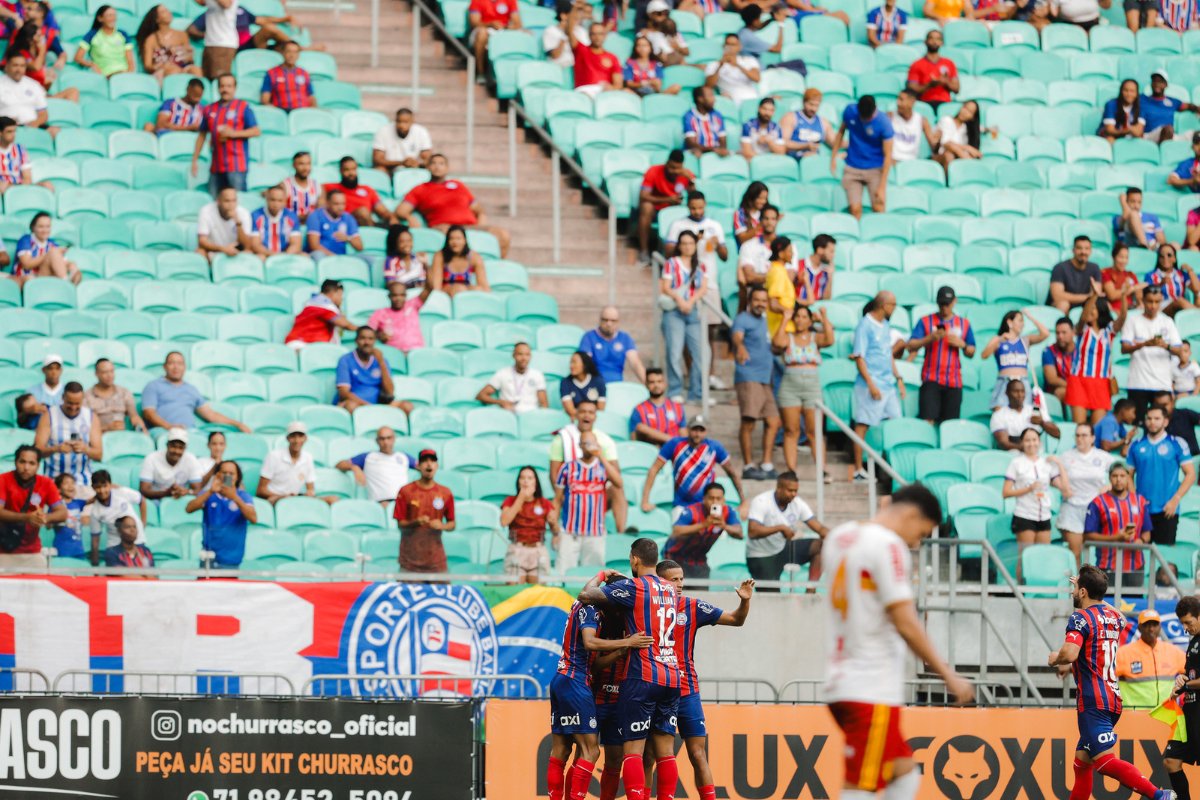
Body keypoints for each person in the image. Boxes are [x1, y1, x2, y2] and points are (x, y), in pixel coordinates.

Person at [823, 483, 974, 800]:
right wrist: (948, 675)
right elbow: (905, 620)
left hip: (840, 679)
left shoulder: (840, 537)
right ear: (910, 514)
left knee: (904, 774)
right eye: (921, 532)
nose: (916, 541)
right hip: (870, 687)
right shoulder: (889, 546)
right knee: (860, 787)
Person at [1049, 566, 1177, 800]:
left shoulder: (1080, 617)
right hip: (1112, 699)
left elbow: (1069, 654)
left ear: (1084, 591)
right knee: (1082, 764)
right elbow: (1110, 609)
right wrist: (1091, 589)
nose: (1072, 592)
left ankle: (1159, 795)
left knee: (1106, 763)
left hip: (1093, 702)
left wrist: (1055, 658)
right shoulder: (1115, 618)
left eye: (1075, 588)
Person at [575, 538, 682, 800]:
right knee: (665, 752)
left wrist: (602, 576)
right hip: (672, 675)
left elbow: (585, 595)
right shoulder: (671, 589)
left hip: (643, 675)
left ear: (634, 559)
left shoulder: (634, 587)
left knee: (633, 751)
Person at [656, 561, 753, 800]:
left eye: (681, 579)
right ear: (659, 582)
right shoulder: (646, 606)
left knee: (698, 754)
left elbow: (736, 620)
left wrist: (745, 601)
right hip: (656, 689)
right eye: (673, 580)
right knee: (651, 756)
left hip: (687, 690)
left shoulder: (692, 606)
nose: (679, 585)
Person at [546, 594, 650, 800]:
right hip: (592, 696)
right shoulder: (597, 624)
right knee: (583, 754)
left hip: (618, 702)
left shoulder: (635, 626)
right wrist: (623, 647)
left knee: (614, 760)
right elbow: (592, 664)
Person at [395, 153, 510, 257]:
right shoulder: (420, 189)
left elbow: (478, 209)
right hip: (443, 227)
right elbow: (400, 211)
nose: (437, 166)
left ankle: (498, 266)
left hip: (468, 227)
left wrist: (481, 221)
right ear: (428, 167)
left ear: (447, 168)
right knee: (454, 236)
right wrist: (409, 217)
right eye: (433, 163)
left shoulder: (459, 185)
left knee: (502, 234)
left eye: (441, 163)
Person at [773, 304, 833, 477]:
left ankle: (822, 469)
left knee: (814, 431)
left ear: (810, 320)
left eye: (804, 317)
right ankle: (791, 470)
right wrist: (785, 318)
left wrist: (823, 318)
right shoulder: (789, 338)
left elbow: (830, 339)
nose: (800, 320)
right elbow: (777, 342)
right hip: (790, 387)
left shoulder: (815, 338)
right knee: (791, 430)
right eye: (797, 316)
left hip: (811, 388)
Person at [851, 292, 905, 480]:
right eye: (893, 305)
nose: (894, 309)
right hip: (870, 385)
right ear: (883, 305)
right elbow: (859, 357)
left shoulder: (885, 325)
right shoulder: (864, 326)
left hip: (888, 384)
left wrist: (897, 377)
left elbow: (887, 353)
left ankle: (892, 466)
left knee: (896, 423)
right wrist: (871, 384)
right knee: (863, 424)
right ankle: (858, 469)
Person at [640, 417, 744, 513]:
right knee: (679, 532)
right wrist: (645, 501)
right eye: (694, 430)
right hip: (681, 505)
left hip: (708, 506)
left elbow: (731, 472)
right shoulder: (674, 444)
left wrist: (743, 501)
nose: (697, 434)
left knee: (720, 531)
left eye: (701, 430)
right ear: (688, 430)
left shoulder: (715, 447)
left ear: (706, 431)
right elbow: (654, 469)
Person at [553, 430, 620, 572]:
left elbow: (619, 483)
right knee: (562, 573)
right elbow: (557, 498)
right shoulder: (567, 468)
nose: (589, 446)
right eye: (585, 443)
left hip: (595, 533)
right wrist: (555, 530)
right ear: (580, 446)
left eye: (592, 442)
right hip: (570, 532)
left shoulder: (603, 467)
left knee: (593, 576)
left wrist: (600, 455)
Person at [1127, 405, 1195, 545]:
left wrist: (1175, 500)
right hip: (1143, 510)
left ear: (1165, 421)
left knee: (1165, 556)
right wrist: (1135, 501)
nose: (1152, 422)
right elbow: (1128, 475)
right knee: (1140, 555)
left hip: (1168, 509)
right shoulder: (1136, 445)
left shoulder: (1177, 443)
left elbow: (1191, 474)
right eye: (1149, 418)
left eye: (1157, 418)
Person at [908, 286, 976, 424]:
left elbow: (971, 351)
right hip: (931, 378)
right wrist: (930, 338)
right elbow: (910, 346)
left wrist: (962, 344)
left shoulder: (964, 323)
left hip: (954, 380)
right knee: (928, 419)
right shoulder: (926, 321)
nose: (944, 307)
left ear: (954, 301)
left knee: (950, 424)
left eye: (947, 303)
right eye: (941, 303)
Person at [732, 287, 780, 480]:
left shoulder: (766, 320)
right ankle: (748, 465)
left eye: (763, 300)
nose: (760, 304)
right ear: (750, 301)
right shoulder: (743, 318)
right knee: (749, 421)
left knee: (773, 420)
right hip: (748, 375)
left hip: (765, 379)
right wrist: (740, 347)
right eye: (757, 300)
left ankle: (766, 464)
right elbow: (737, 336)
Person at [1002, 427, 1071, 551]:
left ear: (1040, 442)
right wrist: (1029, 489)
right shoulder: (1016, 463)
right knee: (1025, 557)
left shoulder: (1046, 463)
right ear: (1022, 442)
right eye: (1027, 440)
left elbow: (1065, 489)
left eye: (1034, 440)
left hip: (1044, 515)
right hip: (1024, 515)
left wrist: (1059, 464)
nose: (1031, 443)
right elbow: (1006, 492)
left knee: (1042, 556)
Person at [141, 352, 249, 432]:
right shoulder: (153, 386)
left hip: (191, 433)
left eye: (180, 363)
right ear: (165, 367)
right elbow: (149, 414)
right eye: (171, 363)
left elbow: (211, 415)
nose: (176, 367)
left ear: (184, 367)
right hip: (164, 431)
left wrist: (237, 424)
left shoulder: (191, 389)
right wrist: (169, 427)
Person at [660, 230, 708, 402]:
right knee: (674, 351)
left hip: (692, 310)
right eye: (684, 243)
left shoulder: (700, 265)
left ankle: (697, 392)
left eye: (691, 243)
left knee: (702, 353)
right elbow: (665, 286)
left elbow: (703, 287)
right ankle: (675, 390)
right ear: (679, 245)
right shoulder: (671, 263)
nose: (688, 247)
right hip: (674, 310)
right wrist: (680, 300)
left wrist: (691, 301)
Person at [191, 73, 259, 195]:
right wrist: (194, 159)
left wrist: (233, 134)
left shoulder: (243, 107)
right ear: (217, 88)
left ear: (234, 88)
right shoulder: (209, 109)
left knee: (237, 201)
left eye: (229, 86)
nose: (225, 89)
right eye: (222, 86)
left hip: (237, 165)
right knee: (214, 201)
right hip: (216, 166)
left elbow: (256, 131)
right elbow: (202, 135)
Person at [1121, 286, 1183, 420]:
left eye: (1157, 302)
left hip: (1162, 383)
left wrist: (1165, 346)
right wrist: (1144, 344)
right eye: (1150, 301)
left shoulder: (1167, 322)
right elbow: (1124, 348)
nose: (1153, 306)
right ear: (1143, 300)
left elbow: (1179, 350)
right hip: (1138, 383)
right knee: (1138, 423)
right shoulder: (1133, 321)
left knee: (1164, 423)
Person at [0, 445, 65, 570]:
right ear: (15, 462)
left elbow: (62, 513)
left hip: (32, 551)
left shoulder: (46, 483)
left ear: (38, 466)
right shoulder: (3, 479)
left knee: (43, 586)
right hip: (3, 551)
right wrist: (27, 518)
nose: (26, 467)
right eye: (22, 462)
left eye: (31, 463)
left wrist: (44, 517)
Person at [1066, 291, 1127, 425]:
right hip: (1079, 381)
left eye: (1093, 308)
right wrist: (1093, 296)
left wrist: (1123, 297)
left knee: (1097, 428)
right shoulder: (1082, 329)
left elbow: (1122, 318)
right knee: (1080, 427)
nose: (1089, 311)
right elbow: (1083, 317)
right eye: (1088, 308)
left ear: (1100, 310)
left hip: (1101, 383)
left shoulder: (1108, 332)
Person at [1058, 423, 1115, 564]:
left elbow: (1122, 474)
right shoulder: (1066, 456)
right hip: (1072, 507)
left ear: (1092, 438)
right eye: (1077, 435)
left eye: (1084, 435)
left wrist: (1109, 486)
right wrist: (1062, 487)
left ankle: (1095, 584)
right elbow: (1053, 477)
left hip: (1096, 508)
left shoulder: (1103, 457)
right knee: (1075, 553)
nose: (1080, 439)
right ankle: (1077, 585)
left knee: (1097, 554)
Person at [394, 448, 456, 575]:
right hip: (410, 562)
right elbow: (400, 524)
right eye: (424, 461)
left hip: (436, 562)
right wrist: (416, 522)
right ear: (418, 466)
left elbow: (452, 524)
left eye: (432, 461)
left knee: (440, 595)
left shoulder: (445, 493)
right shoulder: (406, 491)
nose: (429, 464)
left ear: (436, 466)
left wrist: (442, 526)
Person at [832, 95, 894, 220]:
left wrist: (882, 186)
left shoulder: (884, 123)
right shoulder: (850, 112)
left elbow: (888, 155)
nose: (865, 120)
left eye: (868, 117)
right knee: (855, 210)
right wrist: (833, 157)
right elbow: (841, 132)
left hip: (875, 168)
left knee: (878, 207)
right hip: (853, 167)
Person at [186, 459, 256, 569]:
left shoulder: (243, 496)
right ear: (218, 474)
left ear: (237, 477)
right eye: (224, 472)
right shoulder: (209, 495)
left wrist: (234, 497)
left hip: (232, 560)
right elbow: (189, 508)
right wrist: (210, 491)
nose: (227, 476)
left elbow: (253, 518)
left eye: (231, 473)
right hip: (209, 559)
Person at [663, 482, 742, 578]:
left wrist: (724, 525)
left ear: (724, 500)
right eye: (711, 498)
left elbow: (739, 533)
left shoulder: (728, 512)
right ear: (704, 499)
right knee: (677, 592)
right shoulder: (691, 511)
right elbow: (676, 531)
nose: (714, 502)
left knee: (701, 591)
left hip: (699, 560)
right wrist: (704, 525)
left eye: (718, 498)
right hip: (676, 559)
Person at [1165, 596, 1200, 799]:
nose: (1186, 628)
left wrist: (1186, 685)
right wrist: (1181, 680)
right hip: (1189, 712)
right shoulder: (1193, 641)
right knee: (1171, 761)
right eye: (1183, 624)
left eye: (1189, 622)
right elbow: (1191, 674)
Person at [1116, 609, 1185, 710]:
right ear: (1139, 627)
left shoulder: (1173, 651)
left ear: (1160, 627)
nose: (1151, 629)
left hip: (1167, 715)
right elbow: (1104, 680)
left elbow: (1193, 672)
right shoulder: (1123, 653)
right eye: (1147, 625)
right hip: (1134, 718)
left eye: (1154, 625)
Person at [636, 149, 694, 268]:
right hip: (656, 208)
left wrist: (691, 182)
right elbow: (643, 196)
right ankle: (644, 251)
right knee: (646, 207)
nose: (674, 171)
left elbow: (695, 199)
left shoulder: (686, 175)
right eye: (672, 167)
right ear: (667, 163)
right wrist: (667, 200)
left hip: (673, 211)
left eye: (677, 168)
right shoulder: (654, 171)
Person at [33, 381, 100, 484]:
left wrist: (85, 449)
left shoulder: (91, 417)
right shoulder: (49, 415)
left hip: (83, 481)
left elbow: (99, 455)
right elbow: (37, 451)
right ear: (63, 397)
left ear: (83, 399)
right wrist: (56, 448)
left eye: (77, 403)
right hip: (54, 480)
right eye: (70, 403)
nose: (73, 407)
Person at [500, 465, 558, 584]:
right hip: (517, 549)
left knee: (538, 592)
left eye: (530, 478)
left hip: (537, 550)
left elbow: (555, 531)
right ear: (518, 481)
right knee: (514, 591)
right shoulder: (510, 501)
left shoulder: (545, 503)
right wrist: (521, 497)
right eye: (522, 478)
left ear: (536, 482)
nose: (526, 481)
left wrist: (554, 523)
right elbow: (504, 521)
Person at [335, 326, 411, 413]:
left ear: (374, 341)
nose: (367, 342)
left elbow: (390, 392)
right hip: (357, 404)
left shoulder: (381, 360)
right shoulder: (345, 360)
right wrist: (367, 406)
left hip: (379, 403)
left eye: (370, 339)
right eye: (362, 338)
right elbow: (344, 393)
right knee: (351, 406)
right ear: (356, 340)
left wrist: (381, 362)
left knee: (407, 406)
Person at [258, 422, 335, 506]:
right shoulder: (274, 456)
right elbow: (261, 490)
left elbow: (310, 489)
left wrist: (309, 494)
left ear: (305, 438)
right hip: (276, 498)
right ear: (287, 438)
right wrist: (282, 496)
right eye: (293, 436)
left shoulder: (308, 457)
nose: (297, 440)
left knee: (333, 500)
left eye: (300, 436)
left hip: (295, 498)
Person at [335, 425, 413, 504]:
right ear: (377, 441)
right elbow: (339, 465)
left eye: (389, 438)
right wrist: (354, 467)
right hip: (380, 503)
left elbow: (421, 466)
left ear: (394, 439)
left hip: (403, 502)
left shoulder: (404, 457)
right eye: (382, 439)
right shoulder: (368, 457)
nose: (385, 442)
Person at [84, 469, 146, 563]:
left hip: (137, 540)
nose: (102, 490)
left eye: (105, 486)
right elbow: (95, 539)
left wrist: (143, 522)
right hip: (115, 545)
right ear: (92, 487)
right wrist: (95, 565)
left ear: (110, 484)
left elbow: (141, 500)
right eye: (98, 487)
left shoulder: (122, 492)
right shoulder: (95, 511)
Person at [579, 306, 646, 385]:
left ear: (618, 322)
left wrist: (647, 384)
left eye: (613, 321)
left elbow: (635, 363)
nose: (609, 324)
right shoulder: (589, 337)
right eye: (605, 320)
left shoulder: (625, 338)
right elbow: (584, 363)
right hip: (595, 385)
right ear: (600, 320)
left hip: (617, 386)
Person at [324, 156, 396, 228]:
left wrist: (391, 218)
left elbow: (382, 211)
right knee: (362, 212)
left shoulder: (368, 190)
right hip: (342, 224)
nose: (351, 173)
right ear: (340, 171)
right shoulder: (329, 187)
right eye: (347, 170)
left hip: (367, 223)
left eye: (353, 169)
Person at [477, 342, 548, 412]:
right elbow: (481, 396)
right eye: (520, 354)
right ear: (514, 355)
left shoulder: (537, 375)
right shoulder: (502, 373)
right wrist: (501, 402)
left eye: (527, 355)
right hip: (509, 415)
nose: (524, 358)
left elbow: (544, 404)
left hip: (531, 415)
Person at [284, 279, 356, 348]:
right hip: (302, 345)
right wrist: (362, 329)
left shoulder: (312, 303)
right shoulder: (324, 306)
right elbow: (346, 325)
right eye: (340, 295)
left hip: (298, 343)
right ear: (333, 293)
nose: (342, 298)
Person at [991, 380, 1060, 449]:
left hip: (1037, 452)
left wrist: (1042, 423)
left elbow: (1057, 434)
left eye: (1022, 391)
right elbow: (1004, 443)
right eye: (1016, 391)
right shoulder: (999, 415)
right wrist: (1027, 449)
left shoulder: (1035, 410)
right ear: (1007, 393)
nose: (1020, 395)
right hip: (1013, 454)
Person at [136, 4, 199, 78]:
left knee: (197, 71)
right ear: (157, 19)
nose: (168, 13)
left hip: (183, 67)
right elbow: (148, 65)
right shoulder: (151, 39)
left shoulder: (182, 35)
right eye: (163, 12)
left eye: (168, 10)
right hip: (163, 71)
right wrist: (159, 66)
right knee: (173, 71)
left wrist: (187, 55)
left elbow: (189, 57)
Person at [138, 428, 201, 501]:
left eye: (180, 448)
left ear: (185, 448)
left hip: (181, 499)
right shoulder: (152, 458)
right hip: (156, 500)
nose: (176, 451)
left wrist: (186, 492)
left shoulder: (191, 459)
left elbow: (197, 490)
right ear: (167, 445)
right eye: (173, 446)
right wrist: (166, 493)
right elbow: (144, 490)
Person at [16, 212, 80, 284]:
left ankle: (67, 285)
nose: (45, 230)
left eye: (48, 226)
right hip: (26, 278)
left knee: (76, 271)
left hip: (45, 275)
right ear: (33, 227)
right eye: (41, 226)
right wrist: (48, 254)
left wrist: (71, 266)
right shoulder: (26, 240)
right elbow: (26, 264)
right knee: (53, 252)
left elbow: (60, 264)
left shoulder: (52, 243)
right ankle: (65, 284)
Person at [367, 281, 429, 353]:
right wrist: (379, 334)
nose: (398, 299)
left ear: (406, 296)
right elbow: (368, 331)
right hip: (394, 354)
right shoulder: (380, 313)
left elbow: (429, 288)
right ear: (389, 296)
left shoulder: (413, 305)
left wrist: (428, 270)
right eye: (395, 295)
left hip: (417, 352)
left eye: (402, 295)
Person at [197, 186, 254, 261]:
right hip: (214, 250)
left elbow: (247, 246)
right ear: (218, 201)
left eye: (234, 201)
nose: (231, 205)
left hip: (235, 252)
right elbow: (202, 241)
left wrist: (238, 224)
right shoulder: (206, 211)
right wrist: (223, 249)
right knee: (199, 252)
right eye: (227, 201)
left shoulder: (244, 213)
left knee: (249, 253)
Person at [629, 368, 685, 444]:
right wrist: (671, 440)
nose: (656, 385)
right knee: (641, 427)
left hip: (673, 451)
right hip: (650, 451)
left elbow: (683, 434)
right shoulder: (639, 410)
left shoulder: (677, 408)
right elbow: (634, 440)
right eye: (652, 382)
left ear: (665, 383)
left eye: (659, 381)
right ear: (646, 384)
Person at [74, 5, 133, 77]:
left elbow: (130, 61)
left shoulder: (123, 34)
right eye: (109, 15)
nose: (112, 18)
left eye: (114, 15)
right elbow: (78, 58)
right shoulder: (92, 35)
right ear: (100, 18)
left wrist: (130, 74)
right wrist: (92, 64)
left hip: (124, 73)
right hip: (106, 74)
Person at [906, 30, 958, 112]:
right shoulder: (916, 64)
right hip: (924, 103)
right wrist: (929, 85)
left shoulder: (949, 63)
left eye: (938, 39)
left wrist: (946, 82)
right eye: (931, 38)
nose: (934, 42)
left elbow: (957, 89)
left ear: (942, 43)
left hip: (945, 104)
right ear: (925, 42)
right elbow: (911, 90)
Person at [429, 224, 489, 296]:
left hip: (465, 291)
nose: (455, 242)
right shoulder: (440, 256)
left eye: (458, 238)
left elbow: (485, 287)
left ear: (465, 241)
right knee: (459, 289)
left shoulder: (474, 257)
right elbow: (436, 287)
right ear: (447, 241)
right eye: (451, 238)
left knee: (477, 289)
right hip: (446, 291)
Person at [1048, 235, 1103, 313]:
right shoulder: (1060, 268)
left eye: (1087, 248)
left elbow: (1096, 293)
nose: (1083, 252)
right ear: (1073, 250)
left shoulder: (1095, 267)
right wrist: (1087, 296)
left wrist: (1091, 296)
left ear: (1090, 251)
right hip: (1063, 306)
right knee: (1063, 304)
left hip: (1084, 305)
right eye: (1079, 248)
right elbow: (1057, 296)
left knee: (1103, 305)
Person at [703, 33, 760, 107]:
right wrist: (720, 66)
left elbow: (757, 78)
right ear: (724, 46)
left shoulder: (749, 60)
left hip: (752, 100)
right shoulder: (714, 64)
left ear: (740, 47)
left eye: (733, 45)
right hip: (731, 103)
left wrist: (738, 65)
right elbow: (708, 85)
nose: (730, 47)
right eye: (728, 44)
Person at [468, 0, 521, 79]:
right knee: (482, 34)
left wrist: (506, 27)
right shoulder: (477, 1)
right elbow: (474, 23)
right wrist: (490, 24)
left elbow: (517, 23)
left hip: (503, 30)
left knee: (525, 34)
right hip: (483, 28)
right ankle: (480, 73)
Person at [306, 189, 365, 259]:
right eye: (336, 204)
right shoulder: (316, 216)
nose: (340, 207)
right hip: (324, 256)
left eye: (343, 204)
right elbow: (314, 245)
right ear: (327, 203)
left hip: (342, 257)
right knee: (318, 255)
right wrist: (334, 258)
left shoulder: (348, 218)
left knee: (368, 258)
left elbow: (360, 247)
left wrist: (348, 238)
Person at [933, 100, 993, 169]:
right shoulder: (947, 120)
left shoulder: (967, 128)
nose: (965, 112)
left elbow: (980, 128)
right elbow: (946, 143)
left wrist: (990, 129)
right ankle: (970, 163)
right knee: (949, 154)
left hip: (958, 158)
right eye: (965, 107)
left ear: (972, 117)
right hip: (941, 156)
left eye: (969, 112)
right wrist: (967, 148)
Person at [372, 107, 433, 174]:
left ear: (412, 121)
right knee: (379, 170)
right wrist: (401, 163)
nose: (401, 125)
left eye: (405, 122)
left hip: (414, 168)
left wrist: (416, 163)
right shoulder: (383, 131)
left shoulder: (421, 132)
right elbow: (377, 159)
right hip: (390, 168)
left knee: (431, 168)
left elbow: (428, 158)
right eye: (399, 121)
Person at [781, 88, 836, 162]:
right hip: (794, 159)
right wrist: (805, 146)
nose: (813, 108)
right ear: (804, 102)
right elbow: (782, 142)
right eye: (811, 104)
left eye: (816, 105)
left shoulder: (823, 122)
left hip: (814, 161)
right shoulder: (791, 117)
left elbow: (835, 143)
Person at [1144, 72, 1200, 144]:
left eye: (1160, 81)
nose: (1157, 84)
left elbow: (1188, 106)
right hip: (1149, 135)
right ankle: (1163, 152)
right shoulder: (1143, 99)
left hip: (1169, 135)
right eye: (1154, 81)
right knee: (1168, 129)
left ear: (1166, 85)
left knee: (1196, 135)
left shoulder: (1171, 101)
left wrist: (1197, 109)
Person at [1145, 244, 1200, 316]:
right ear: (1158, 259)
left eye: (1169, 255)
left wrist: (1190, 270)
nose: (1165, 258)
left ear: (1174, 258)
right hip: (1161, 308)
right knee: (1179, 301)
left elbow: (1197, 289)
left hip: (1181, 306)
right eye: (1162, 256)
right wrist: (1160, 284)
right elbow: (1147, 294)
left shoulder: (1180, 274)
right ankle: (1197, 316)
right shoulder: (1151, 275)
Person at [249, 184, 304, 256]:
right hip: (264, 254)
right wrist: (274, 255)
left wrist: (284, 257)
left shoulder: (291, 216)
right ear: (267, 199)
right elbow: (255, 245)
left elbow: (296, 244)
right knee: (260, 257)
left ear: (285, 201)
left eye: (280, 201)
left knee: (304, 256)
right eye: (273, 200)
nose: (276, 204)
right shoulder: (256, 215)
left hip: (286, 254)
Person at [570, 21, 622, 97]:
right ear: (589, 35)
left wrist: (612, 88)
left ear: (605, 36)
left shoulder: (612, 57)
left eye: (600, 34)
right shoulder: (581, 50)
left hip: (605, 92)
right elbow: (569, 31)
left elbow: (618, 84)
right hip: (584, 91)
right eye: (594, 34)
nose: (597, 37)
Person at [259, 40, 313, 111]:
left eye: (295, 52)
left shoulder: (304, 73)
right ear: (283, 53)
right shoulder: (271, 73)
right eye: (289, 51)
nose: (292, 55)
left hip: (302, 113)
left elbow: (311, 97)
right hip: (282, 112)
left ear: (298, 55)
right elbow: (265, 100)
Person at [888, 88, 937, 164]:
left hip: (912, 163)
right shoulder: (890, 117)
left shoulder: (922, 120)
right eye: (897, 99)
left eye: (901, 100)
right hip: (893, 160)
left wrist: (938, 139)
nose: (898, 103)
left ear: (912, 102)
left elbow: (933, 144)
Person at [0, 54, 47, 130]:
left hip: (33, 126)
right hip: (5, 128)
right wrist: (6, 122)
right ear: (7, 66)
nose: (19, 69)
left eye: (22, 66)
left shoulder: (34, 85)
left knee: (54, 131)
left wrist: (35, 123)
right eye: (15, 65)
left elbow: (43, 113)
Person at [682, 85, 728, 157]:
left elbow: (723, 140)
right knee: (696, 152)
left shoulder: (717, 115)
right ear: (700, 99)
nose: (714, 99)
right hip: (700, 152)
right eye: (710, 95)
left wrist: (721, 149)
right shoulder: (689, 116)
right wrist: (713, 150)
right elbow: (691, 143)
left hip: (716, 152)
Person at [198, 0, 239, 79]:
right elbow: (201, 2)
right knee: (207, 80)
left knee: (218, 81)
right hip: (210, 42)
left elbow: (226, 4)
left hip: (223, 44)